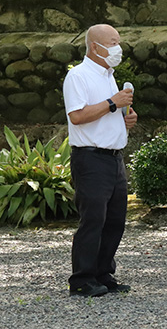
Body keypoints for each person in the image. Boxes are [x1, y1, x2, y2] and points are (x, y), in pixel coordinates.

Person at [63, 24, 138, 297]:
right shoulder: (78, 76)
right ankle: (82, 279)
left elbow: (109, 111)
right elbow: (78, 116)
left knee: (115, 220)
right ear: (95, 46)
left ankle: (103, 273)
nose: (118, 48)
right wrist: (112, 103)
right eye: (113, 42)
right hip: (90, 158)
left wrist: (125, 118)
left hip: (114, 158)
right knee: (93, 219)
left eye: (118, 41)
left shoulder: (109, 76)